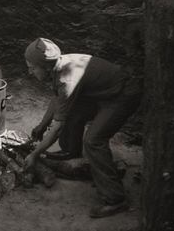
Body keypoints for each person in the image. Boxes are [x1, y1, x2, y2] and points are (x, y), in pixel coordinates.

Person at [23, 38, 142, 218]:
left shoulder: (66, 78)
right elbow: (58, 100)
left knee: (94, 141)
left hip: (122, 95)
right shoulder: (59, 65)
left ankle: (115, 199)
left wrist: (34, 154)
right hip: (104, 90)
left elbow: (57, 127)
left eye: (32, 67)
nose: (29, 71)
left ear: (45, 67)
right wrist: (42, 125)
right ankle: (71, 151)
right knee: (73, 111)